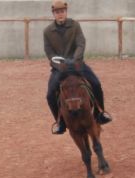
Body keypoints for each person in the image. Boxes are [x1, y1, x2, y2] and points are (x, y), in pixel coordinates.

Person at [44, 0, 112, 135]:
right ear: (53, 14)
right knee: (50, 94)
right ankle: (60, 122)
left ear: (66, 12)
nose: (60, 14)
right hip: (60, 68)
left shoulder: (75, 26)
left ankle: (100, 113)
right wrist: (58, 64)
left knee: (96, 83)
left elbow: (81, 43)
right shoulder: (47, 31)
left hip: (77, 64)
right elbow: (49, 52)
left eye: (62, 11)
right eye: (57, 12)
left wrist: (75, 60)